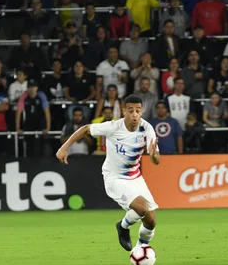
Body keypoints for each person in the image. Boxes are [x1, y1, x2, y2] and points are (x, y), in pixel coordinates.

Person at [57, 94, 160, 251]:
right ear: (123, 111)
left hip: (135, 177)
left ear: (142, 112)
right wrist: (64, 147)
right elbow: (85, 129)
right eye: (130, 110)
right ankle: (123, 226)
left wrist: (154, 155)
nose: (134, 114)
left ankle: (141, 250)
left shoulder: (147, 129)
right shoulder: (113, 127)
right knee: (142, 208)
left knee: (151, 221)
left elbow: (156, 160)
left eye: (138, 111)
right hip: (115, 178)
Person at [16, 80, 51, 157]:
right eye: (30, 87)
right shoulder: (24, 96)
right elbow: (18, 113)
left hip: (40, 123)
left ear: (36, 88)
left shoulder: (41, 96)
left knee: (41, 144)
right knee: (29, 146)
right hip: (29, 123)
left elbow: (47, 113)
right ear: (27, 88)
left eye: (33, 87)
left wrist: (47, 128)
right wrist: (18, 128)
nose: (32, 89)